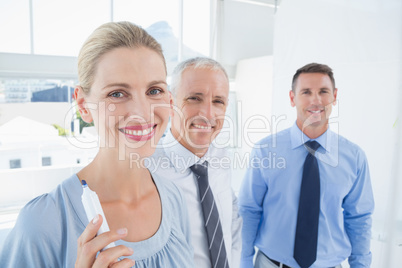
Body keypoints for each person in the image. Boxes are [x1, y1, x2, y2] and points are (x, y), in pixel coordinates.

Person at [0, 21, 194, 267]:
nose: (142, 113)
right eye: (117, 93)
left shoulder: (174, 198)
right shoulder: (43, 223)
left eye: (154, 90)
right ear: (83, 105)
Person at [238, 63, 374, 268]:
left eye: (323, 92)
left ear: (334, 96)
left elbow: (359, 218)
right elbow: (249, 210)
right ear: (293, 98)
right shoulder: (265, 151)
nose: (315, 100)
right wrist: (244, 263)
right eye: (306, 92)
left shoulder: (354, 157)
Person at [149, 57, 242, 268]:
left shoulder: (220, 156)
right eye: (194, 98)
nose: (208, 114)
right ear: (170, 103)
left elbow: (231, 225)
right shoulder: (146, 170)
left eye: (218, 101)